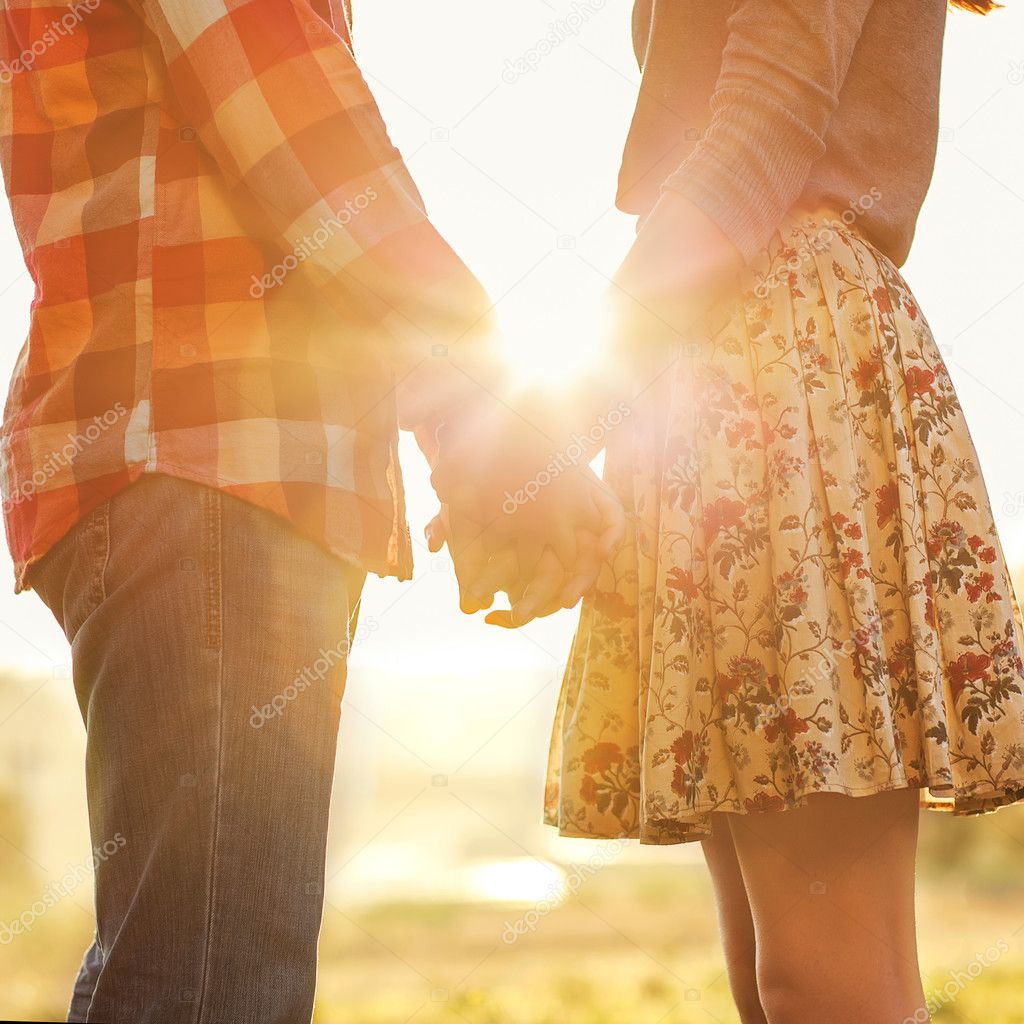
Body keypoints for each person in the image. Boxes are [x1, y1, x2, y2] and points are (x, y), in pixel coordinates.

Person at [0, 1, 620, 1021]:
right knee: (212, 983)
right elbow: (307, 146)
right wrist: (490, 424)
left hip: (193, 460)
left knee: (203, 961)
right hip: (207, 453)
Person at [459, 1, 1024, 1022]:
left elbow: (758, 134)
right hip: (726, 382)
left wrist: (547, 430)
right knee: (776, 977)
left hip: (782, 376)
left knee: (818, 978)